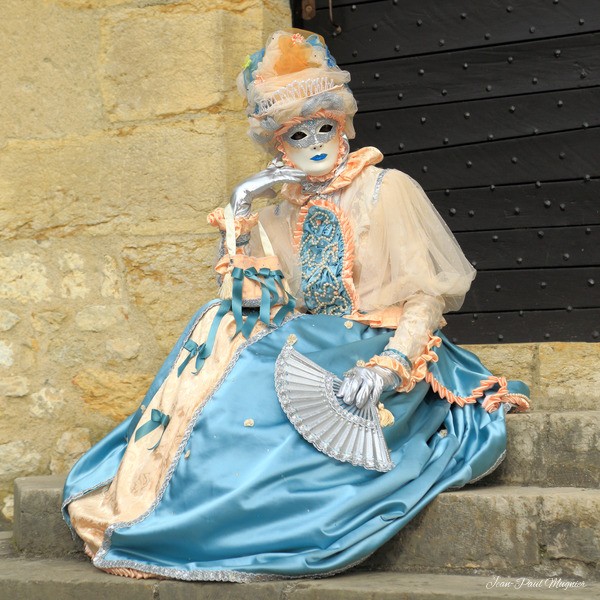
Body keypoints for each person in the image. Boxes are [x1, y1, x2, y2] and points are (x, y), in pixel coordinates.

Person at [62, 30, 530, 582]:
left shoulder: (386, 189)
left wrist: (389, 367)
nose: (314, 141)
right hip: (310, 339)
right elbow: (249, 301)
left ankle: (237, 512)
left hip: (383, 343)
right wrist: (242, 203)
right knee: (220, 331)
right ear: (277, 146)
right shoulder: (277, 214)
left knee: (284, 390)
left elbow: (423, 298)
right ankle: (174, 496)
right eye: (296, 133)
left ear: (343, 126)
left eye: (324, 127)